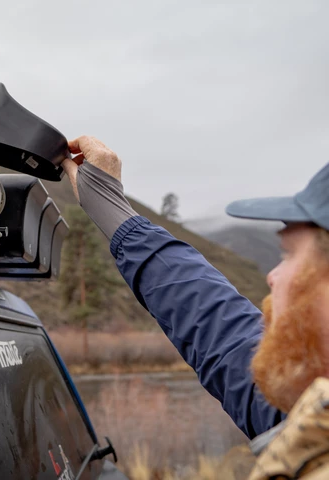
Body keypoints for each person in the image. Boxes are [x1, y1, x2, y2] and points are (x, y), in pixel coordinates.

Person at [62, 136, 329, 480]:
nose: (273, 276)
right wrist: (115, 213)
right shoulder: (310, 412)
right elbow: (223, 334)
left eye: (289, 254)